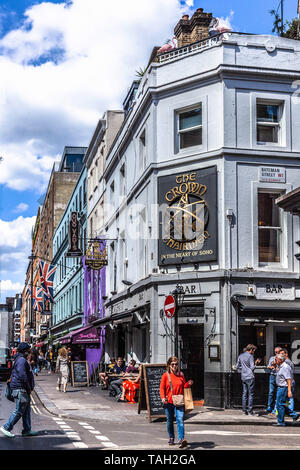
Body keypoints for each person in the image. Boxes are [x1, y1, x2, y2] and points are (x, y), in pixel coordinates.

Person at [0, 342, 38, 438]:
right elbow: (22, 375)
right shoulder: (21, 360)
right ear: (24, 351)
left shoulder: (21, 359)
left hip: (22, 388)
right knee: (19, 411)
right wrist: (28, 387)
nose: (29, 352)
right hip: (21, 388)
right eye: (28, 350)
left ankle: (27, 429)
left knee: (26, 410)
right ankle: (6, 427)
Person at [160, 356, 193, 449]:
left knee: (180, 420)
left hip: (179, 401)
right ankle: (171, 437)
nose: (174, 366)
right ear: (169, 365)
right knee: (170, 421)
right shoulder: (165, 375)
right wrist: (163, 398)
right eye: (172, 364)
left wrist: (188, 384)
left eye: (176, 364)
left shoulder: (181, 375)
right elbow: (161, 388)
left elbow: (184, 387)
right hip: (169, 402)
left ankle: (181, 439)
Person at [273, 354, 299, 427]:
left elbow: (288, 379)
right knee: (281, 404)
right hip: (280, 387)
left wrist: (289, 390)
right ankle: (294, 415)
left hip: (283, 388)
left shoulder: (285, 367)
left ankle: (281, 422)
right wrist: (275, 366)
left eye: (276, 359)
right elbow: (280, 374)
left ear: (280, 360)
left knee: (280, 405)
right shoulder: (281, 366)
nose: (275, 360)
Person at [235, 344, 260, 416]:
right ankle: (250, 411)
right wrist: (256, 363)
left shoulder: (241, 355)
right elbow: (252, 367)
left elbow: (237, 366)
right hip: (250, 376)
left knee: (244, 394)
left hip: (243, 376)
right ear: (251, 350)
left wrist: (243, 368)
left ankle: (244, 411)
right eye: (254, 350)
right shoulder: (250, 356)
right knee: (251, 394)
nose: (254, 352)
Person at [266, 345, 281, 414]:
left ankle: (275, 408)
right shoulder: (272, 358)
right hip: (272, 375)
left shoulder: (282, 359)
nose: (276, 353)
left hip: (279, 377)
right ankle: (269, 406)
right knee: (271, 392)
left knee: (278, 393)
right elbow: (268, 365)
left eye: (278, 352)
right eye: (275, 352)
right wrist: (270, 367)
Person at [279, 348, 296, 413]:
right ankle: (288, 412)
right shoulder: (287, 362)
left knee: (289, 398)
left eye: (282, 354)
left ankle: (291, 412)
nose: (281, 356)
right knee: (287, 398)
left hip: (288, 382)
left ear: (286, 354)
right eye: (280, 354)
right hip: (288, 382)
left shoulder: (287, 362)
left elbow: (288, 375)